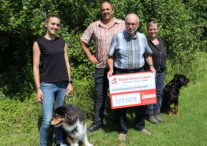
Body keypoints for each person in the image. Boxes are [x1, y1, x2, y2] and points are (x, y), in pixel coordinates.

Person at [107, 13, 156, 141]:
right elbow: (110, 55)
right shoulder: (117, 37)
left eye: (133, 24)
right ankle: (123, 130)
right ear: (125, 23)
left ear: (138, 25)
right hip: (121, 73)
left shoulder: (142, 38)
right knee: (121, 104)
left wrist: (151, 66)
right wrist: (111, 69)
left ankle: (140, 126)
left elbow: (147, 54)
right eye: (128, 23)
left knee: (141, 102)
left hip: (139, 73)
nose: (130, 26)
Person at [80, 1, 125, 132]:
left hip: (119, 67)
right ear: (101, 11)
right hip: (101, 67)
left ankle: (119, 120)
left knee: (119, 95)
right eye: (103, 10)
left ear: (113, 10)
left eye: (108, 9)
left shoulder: (122, 24)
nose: (106, 11)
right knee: (100, 96)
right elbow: (83, 40)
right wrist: (89, 55)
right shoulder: (94, 26)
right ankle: (97, 122)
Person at [33, 13, 73, 146]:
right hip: (47, 86)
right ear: (46, 24)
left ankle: (60, 141)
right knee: (47, 119)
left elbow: (67, 63)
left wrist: (69, 82)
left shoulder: (62, 42)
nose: (55, 27)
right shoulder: (39, 43)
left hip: (62, 85)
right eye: (52, 24)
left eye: (57, 25)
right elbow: (35, 67)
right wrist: (38, 88)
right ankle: (43, 143)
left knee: (59, 117)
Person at [145, 21, 167, 124]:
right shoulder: (145, 41)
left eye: (154, 29)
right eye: (150, 29)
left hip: (161, 71)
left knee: (159, 93)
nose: (153, 31)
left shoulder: (160, 41)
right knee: (150, 93)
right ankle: (150, 114)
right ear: (147, 30)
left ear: (157, 30)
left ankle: (157, 112)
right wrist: (151, 66)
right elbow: (145, 55)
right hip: (150, 72)